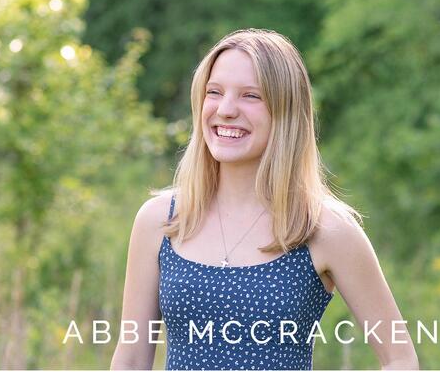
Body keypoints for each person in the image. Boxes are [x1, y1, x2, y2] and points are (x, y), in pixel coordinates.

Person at [110, 29, 419, 370]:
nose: (226, 109)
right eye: (214, 92)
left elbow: (400, 358)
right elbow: (130, 360)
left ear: (285, 111)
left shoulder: (323, 229)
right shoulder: (161, 220)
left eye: (250, 96)